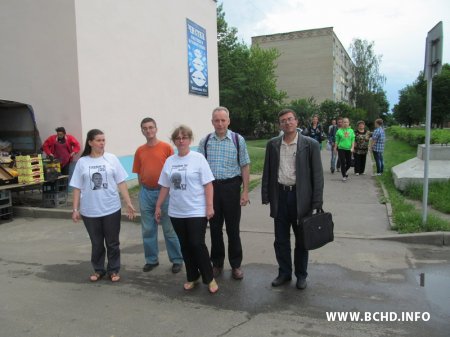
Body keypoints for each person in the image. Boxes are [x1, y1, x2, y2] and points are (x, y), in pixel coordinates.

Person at [262, 109, 324, 290]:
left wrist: (316, 202)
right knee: (280, 240)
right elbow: (268, 172)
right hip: (280, 197)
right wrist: (266, 195)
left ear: (296, 122)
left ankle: (301, 275)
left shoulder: (310, 144)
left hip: (301, 198)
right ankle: (284, 273)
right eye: (283, 121)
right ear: (280, 124)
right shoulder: (272, 144)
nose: (287, 123)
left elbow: (317, 176)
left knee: (302, 240)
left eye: (290, 119)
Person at [155, 125, 218, 294]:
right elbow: (165, 187)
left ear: (190, 140)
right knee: (185, 245)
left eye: (184, 137)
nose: (181, 141)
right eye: (178, 138)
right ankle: (192, 277)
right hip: (176, 212)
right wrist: (158, 205)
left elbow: (208, 184)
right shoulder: (170, 161)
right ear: (174, 141)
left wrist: (210, 206)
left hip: (196, 210)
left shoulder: (198, 159)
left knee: (197, 244)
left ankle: (209, 278)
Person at [70, 129, 136, 283]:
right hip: (89, 211)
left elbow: (121, 182)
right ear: (90, 142)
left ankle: (113, 270)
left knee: (113, 242)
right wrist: (75, 209)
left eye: (103, 140)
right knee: (97, 243)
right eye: (98, 140)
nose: (102, 143)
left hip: (111, 209)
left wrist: (128, 202)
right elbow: (77, 187)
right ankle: (98, 270)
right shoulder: (82, 162)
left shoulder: (111, 159)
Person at [198, 106, 250, 280]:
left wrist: (245, 191)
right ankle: (217, 264)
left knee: (233, 229)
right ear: (212, 121)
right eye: (216, 120)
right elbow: (199, 169)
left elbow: (244, 165)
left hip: (231, 188)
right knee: (214, 229)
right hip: (212, 189)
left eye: (223, 120)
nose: (220, 123)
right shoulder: (205, 141)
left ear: (228, 121)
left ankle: (236, 265)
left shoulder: (237, 140)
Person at [132, 118, 183, 274]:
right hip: (146, 193)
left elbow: (174, 172)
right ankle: (151, 260)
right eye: (145, 128)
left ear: (156, 128)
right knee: (148, 230)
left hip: (165, 193)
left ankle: (176, 260)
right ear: (142, 130)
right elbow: (139, 173)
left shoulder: (166, 148)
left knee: (169, 229)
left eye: (151, 127)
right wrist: (142, 192)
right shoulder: (140, 150)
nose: (148, 131)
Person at [334, 117, 355, 182]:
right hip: (341, 148)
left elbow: (353, 140)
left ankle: (344, 171)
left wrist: (352, 147)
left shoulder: (351, 131)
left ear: (349, 123)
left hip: (348, 149)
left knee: (349, 163)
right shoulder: (339, 131)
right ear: (342, 123)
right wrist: (335, 148)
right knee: (342, 162)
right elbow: (337, 141)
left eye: (347, 122)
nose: (345, 123)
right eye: (344, 122)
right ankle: (344, 176)